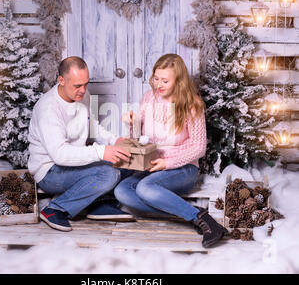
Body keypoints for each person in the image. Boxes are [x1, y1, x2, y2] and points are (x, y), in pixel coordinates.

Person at [114, 54, 228, 248]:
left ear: (179, 81)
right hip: (151, 166)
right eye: (156, 78)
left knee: (144, 188)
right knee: (122, 191)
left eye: (165, 80)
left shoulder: (193, 105)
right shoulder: (148, 98)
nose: (158, 84)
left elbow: (199, 148)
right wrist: (131, 123)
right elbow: (138, 139)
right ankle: (193, 215)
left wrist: (168, 163)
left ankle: (200, 219)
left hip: (182, 168)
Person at [27, 56, 134, 232]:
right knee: (108, 174)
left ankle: (98, 204)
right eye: (77, 85)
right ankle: (55, 209)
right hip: (50, 171)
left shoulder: (82, 95)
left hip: (76, 162)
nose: (83, 90)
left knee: (128, 161)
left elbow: (92, 127)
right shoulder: (48, 108)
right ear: (61, 80)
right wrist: (101, 153)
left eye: (86, 84)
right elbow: (60, 155)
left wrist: (115, 141)